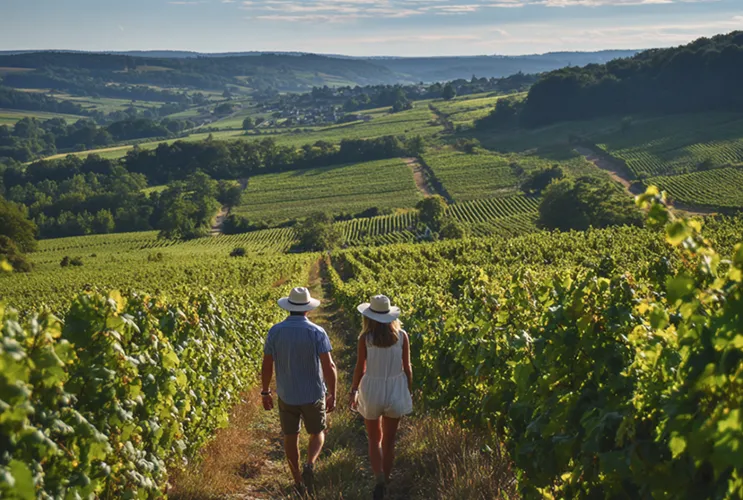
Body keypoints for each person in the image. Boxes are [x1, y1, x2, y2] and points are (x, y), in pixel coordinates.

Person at [261, 287, 337, 495]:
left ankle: (297, 481)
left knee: (290, 436)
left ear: (289, 308)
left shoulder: (275, 331)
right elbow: (329, 366)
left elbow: (267, 364)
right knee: (318, 433)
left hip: (287, 394)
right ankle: (310, 463)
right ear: (307, 309)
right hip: (313, 393)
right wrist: (332, 393)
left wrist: (265, 391)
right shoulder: (317, 332)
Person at [349, 295, 413, 500]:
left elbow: (360, 367)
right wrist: (408, 389)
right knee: (389, 441)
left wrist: (353, 390)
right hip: (395, 389)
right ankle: (386, 479)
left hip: (372, 389)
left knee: (374, 439)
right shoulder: (402, 336)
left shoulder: (365, 339)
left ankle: (378, 478)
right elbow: (407, 367)